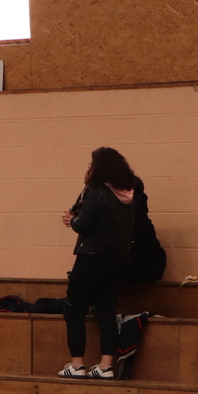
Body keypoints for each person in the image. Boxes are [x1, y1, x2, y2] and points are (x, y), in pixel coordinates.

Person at [58, 147, 136, 380]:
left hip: (93, 257)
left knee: (74, 308)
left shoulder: (97, 191)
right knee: (106, 309)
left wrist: (72, 220)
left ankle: (77, 365)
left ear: (99, 168)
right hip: (121, 258)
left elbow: (83, 225)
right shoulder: (128, 194)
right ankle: (106, 366)